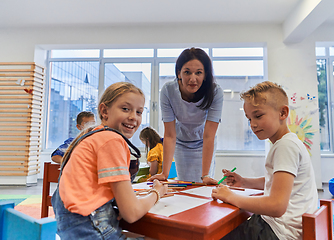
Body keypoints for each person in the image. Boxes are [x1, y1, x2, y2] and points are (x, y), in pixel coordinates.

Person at [51, 82, 168, 240]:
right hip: (93, 229)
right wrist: (157, 192)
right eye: (126, 109)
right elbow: (131, 213)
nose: (134, 117)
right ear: (104, 111)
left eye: (139, 112)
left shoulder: (92, 135)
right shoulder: (111, 140)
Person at [212, 81, 318, 240]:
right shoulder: (290, 142)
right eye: (249, 119)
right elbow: (279, 183)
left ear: (283, 113)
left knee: (217, 233)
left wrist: (230, 196)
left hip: (277, 232)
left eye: (258, 116)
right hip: (284, 229)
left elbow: (276, 206)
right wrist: (245, 182)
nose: (252, 125)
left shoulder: (285, 146)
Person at [150, 47, 223, 184]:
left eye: (198, 73)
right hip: (181, 141)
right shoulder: (168, 90)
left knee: (202, 184)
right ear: (179, 73)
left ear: (205, 75)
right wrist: (164, 173)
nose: (192, 79)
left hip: (203, 141)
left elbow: (209, 136)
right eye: (187, 72)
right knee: (184, 184)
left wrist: (205, 175)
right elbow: (170, 135)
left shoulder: (215, 92)